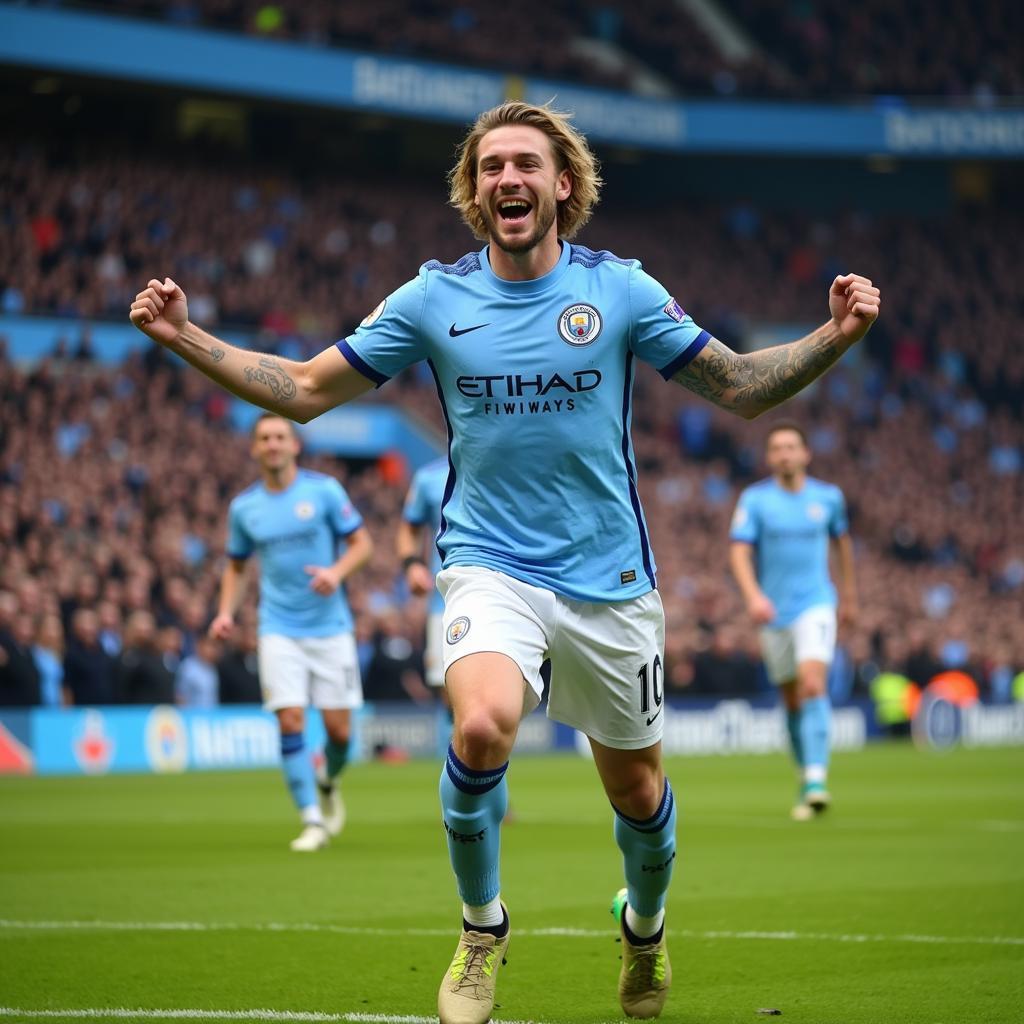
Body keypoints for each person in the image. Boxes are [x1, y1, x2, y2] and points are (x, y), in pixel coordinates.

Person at [130, 101, 880, 1021]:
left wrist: (833, 339)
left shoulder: (623, 291)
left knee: (638, 795)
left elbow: (735, 387)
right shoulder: (432, 301)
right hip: (488, 562)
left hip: (609, 583)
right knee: (481, 727)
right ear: (473, 192)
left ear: (564, 184)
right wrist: (186, 339)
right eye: (489, 168)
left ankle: (644, 929)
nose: (507, 180)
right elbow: (308, 388)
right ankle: (482, 928)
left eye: (526, 164)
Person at [207, 412, 373, 852]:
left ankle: (328, 779)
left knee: (340, 734)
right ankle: (312, 820)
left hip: (330, 628)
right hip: (277, 627)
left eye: (281, 436)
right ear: (255, 448)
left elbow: (362, 544)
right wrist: (226, 612)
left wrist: (336, 573)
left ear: (295, 445)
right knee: (291, 719)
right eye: (265, 438)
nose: (274, 444)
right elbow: (237, 567)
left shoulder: (323, 492)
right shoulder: (245, 508)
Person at [729, 422, 858, 821]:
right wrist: (753, 596)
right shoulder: (755, 500)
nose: (785, 454)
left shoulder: (828, 498)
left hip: (816, 603)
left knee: (812, 684)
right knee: (790, 699)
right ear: (769, 458)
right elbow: (738, 552)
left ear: (806, 454)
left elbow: (842, 543)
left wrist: (849, 596)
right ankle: (805, 776)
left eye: (791, 447)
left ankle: (818, 780)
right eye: (777, 448)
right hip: (774, 611)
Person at [396, 456, 449, 699]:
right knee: (449, 689)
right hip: (444, 601)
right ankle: (454, 739)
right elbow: (409, 528)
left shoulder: (502, 464)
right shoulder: (429, 476)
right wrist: (412, 565)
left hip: (499, 594)